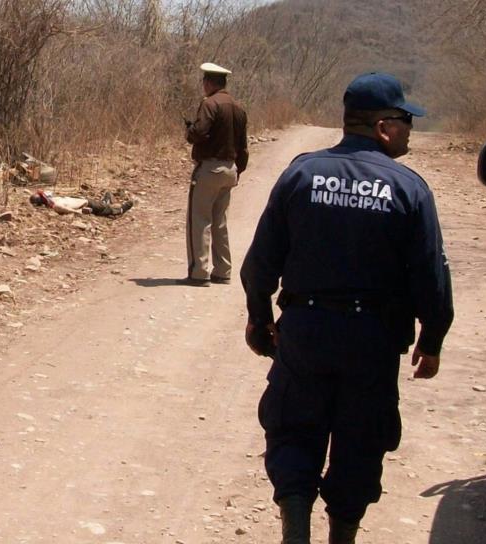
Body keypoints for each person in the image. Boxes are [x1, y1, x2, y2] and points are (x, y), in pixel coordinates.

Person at [240, 72, 454, 544]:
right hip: (372, 341)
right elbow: (430, 276)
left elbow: (260, 261)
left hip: (305, 330)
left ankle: (295, 529)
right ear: (383, 126)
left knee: (294, 427)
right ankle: (343, 537)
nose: (409, 130)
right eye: (404, 120)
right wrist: (432, 337)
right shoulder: (408, 188)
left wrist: (258, 317)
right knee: (361, 438)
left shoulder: (300, 174)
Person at [179, 62, 249, 287]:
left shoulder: (209, 103)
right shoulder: (238, 107)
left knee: (200, 220)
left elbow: (199, 132)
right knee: (220, 221)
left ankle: (199, 273)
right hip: (230, 169)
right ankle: (223, 270)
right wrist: (238, 169)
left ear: (208, 83)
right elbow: (243, 145)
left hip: (209, 168)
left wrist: (190, 130)